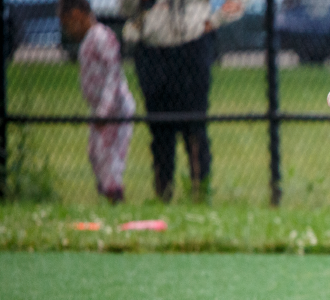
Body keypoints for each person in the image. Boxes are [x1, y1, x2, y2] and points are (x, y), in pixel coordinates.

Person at [119, 0, 244, 203]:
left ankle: (200, 195)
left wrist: (216, 20)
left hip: (192, 43)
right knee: (160, 131)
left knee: (194, 128)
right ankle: (162, 196)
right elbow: (126, 8)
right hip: (152, 47)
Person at [59, 0, 136, 204]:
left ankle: (115, 197)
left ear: (77, 15)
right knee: (95, 153)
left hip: (115, 110)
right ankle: (108, 194)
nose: (66, 30)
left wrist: (104, 110)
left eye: (67, 23)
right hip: (101, 111)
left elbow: (113, 75)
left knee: (108, 157)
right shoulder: (88, 40)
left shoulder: (102, 37)